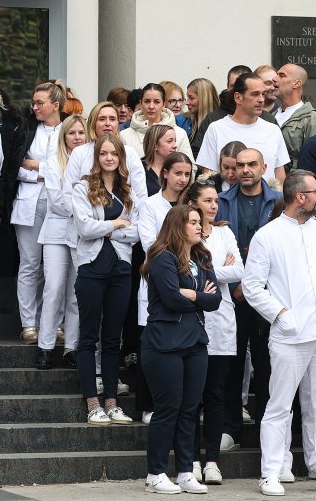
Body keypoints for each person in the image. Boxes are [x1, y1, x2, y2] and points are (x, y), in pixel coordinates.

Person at [243, 170, 316, 497]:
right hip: (291, 335)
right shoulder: (268, 235)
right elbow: (252, 287)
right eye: (315, 192)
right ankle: (271, 473)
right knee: (279, 405)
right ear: (299, 197)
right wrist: (281, 314)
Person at [141, 205, 221, 494]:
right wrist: (199, 296)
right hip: (165, 344)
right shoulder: (163, 258)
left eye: (201, 222)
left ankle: (186, 471)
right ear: (178, 226)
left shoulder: (201, 256)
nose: (200, 226)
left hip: (195, 343)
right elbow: (172, 299)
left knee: (189, 410)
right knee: (168, 409)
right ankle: (155, 474)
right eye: (193, 222)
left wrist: (193, 294)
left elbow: (216, 301)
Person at [216, 147, 282, 454]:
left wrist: (253, 283)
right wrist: (239, 282)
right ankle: (230, 427)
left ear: (264, 166)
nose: (245, 169)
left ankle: (267, 431)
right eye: (240, 165)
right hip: (231, 295)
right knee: (231, 363)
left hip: (269, 295)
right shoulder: (221, 203)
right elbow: (219, 250)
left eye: (252, 164)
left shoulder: (278, 201)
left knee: (267, 365)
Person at [72, 134, 138, 426]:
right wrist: (115, 224)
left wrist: (109, 230)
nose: (109, 158)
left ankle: (112, 403)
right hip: (91, 269)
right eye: (104, 153)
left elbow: (137, 233)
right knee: (88, 337)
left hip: (121, 269)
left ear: (121, 158)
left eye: (114, 153)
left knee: (113, 339)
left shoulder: (129, 191)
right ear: (97, 156)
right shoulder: (83, 187)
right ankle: (92, 404)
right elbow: (85, 229)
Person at [182, 182, 243, 486]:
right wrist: (219, 268)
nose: (213, 205)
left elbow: (239, 270)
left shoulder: (224, 233)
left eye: (216, 200)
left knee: (215, 394)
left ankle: (212, 461)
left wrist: (207, 272)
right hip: (192, 323)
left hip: (221, 322)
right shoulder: (185, 231)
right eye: (207, 200)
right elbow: (184, 271)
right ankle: (191, 459)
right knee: (192, 396)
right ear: (192, 202)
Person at [135, 151, 194, 423]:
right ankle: (148, 405)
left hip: (189, 284)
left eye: (187, 174)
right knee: (153, 344)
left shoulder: (194, 207)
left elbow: (202, 244)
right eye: (178, 173)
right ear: (165, 174)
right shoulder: (149, 205)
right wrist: (181, 252)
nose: (182, 179)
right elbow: (150, 243)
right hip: (158, 284)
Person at [10, 81, 67, 345]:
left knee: (56, 267)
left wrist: (38, 167)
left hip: (61, 206)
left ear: (55, 105)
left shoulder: (69, 129)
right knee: (30, 264)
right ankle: (29, 324)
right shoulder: (25, 130)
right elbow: (15, 169)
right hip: (29, 202)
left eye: (39, 103)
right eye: (33, 102)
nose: (34, 107)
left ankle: (53, 323)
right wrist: (48, 172)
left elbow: (72, 168)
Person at [35, 114, 87, 370]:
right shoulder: (54, 162)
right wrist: (84, 211)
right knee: (54, 288)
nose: (77, 138)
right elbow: (56, 199)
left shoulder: (91, 162)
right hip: (56, 231)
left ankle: (71, 347)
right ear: (63, 136)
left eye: (81, 133)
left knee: (76, 292)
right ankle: (45, 346)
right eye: (72, 133)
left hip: (82, 234)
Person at [197, 73, 289, 184]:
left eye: (263, 94)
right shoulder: (216, 129)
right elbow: (208, 177)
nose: (261, 100)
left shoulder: (273, 130)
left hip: (267, 200)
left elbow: (280, 177)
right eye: (255, 94)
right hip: (227, 200)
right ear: (238, 97)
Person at [192, 65, 276, 157]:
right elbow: (201, 158)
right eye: (233, 86)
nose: (261, 99)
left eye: (262, 94)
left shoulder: (270, 122)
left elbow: (281, 164)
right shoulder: (214, 122)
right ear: (228, 87)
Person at [120, 83, 193, 163]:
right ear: (141, 104)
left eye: (156, 102)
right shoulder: (124, 136)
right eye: (147, 101)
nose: (151, 106)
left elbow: (190, 168)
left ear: (164, 104)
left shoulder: (180, 134)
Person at [274, 64, 316, 170]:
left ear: (297, 83)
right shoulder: (270, 117)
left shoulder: (312, 120)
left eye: (282, 75)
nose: (274, 79)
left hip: (294, 184)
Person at [141, 124, 179, 196]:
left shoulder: (177, 167)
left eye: (175, 141)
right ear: (155, 145)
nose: (175, 145)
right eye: (169, 141)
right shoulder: (139, 168)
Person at [181, 78, 217, 149]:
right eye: (187, 98)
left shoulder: (219, 123)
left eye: (191, 98)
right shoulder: (182, 121)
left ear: (204, 99)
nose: (187, 103)